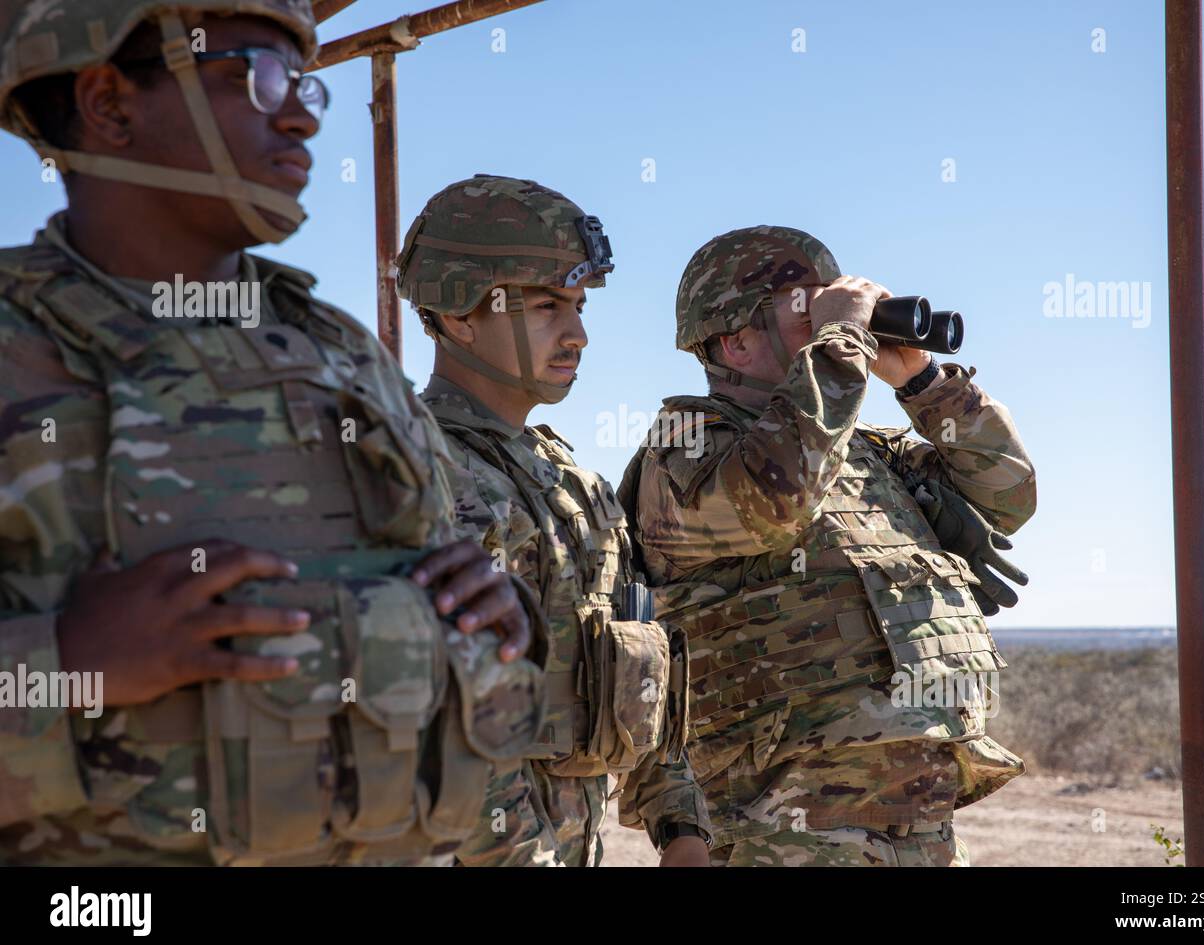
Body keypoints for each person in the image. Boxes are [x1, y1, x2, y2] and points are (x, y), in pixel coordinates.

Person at [0, 1, 545, 865]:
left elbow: (442, 621)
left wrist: (495, 614)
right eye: (253, 76)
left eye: (305, 83)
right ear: (109, 103)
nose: (296, 112)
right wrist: (65, 663)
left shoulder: (340, 352)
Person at [619, 225, 1037, 866]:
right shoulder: (686, 446)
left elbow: (1010, 494)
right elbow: (774, 500)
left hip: (919, 817)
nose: (842, 324)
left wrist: (921, 383)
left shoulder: (865, 452)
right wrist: (840, 343)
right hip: (783, 822)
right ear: (735, 341)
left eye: (834, 308)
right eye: (807, 312)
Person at [396, 175, 712, 866]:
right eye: (546, 306)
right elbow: (447, 732)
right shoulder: (420, 474)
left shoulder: (575, 484)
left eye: (576, 305)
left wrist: (681, 827)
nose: (578, 334)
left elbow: (635, 657)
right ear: (456, 314)